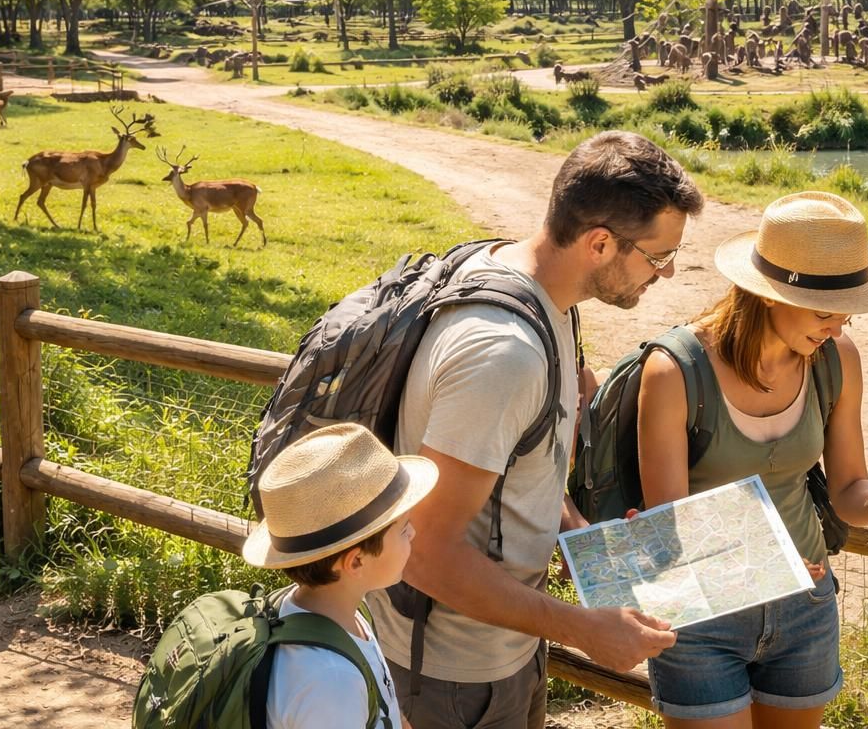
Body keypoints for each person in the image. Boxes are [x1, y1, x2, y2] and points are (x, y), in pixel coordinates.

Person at [374, 130, 706, 729]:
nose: (670, 272)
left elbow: (520, 470)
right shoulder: (503, 354)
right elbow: (423, 553)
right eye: (658, 257)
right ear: (600, 243)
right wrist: (582, 629)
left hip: (509, 641)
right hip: (454, 670)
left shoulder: (539, 289)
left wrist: (589, 544)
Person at [635, 191, 868, 728]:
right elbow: (670, 525)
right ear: (769, 294)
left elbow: (849, 493)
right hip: (703, 612)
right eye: (825, 311)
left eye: (847, 314)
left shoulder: (836, 359)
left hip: (805, 605)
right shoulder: (674, 371)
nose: (837, 329)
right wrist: (759, 566)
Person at [242, 422, 440, 729]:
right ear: (356, 561)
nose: (412, 533)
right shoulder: (330, 681)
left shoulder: (333, 612)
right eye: (403, 529)